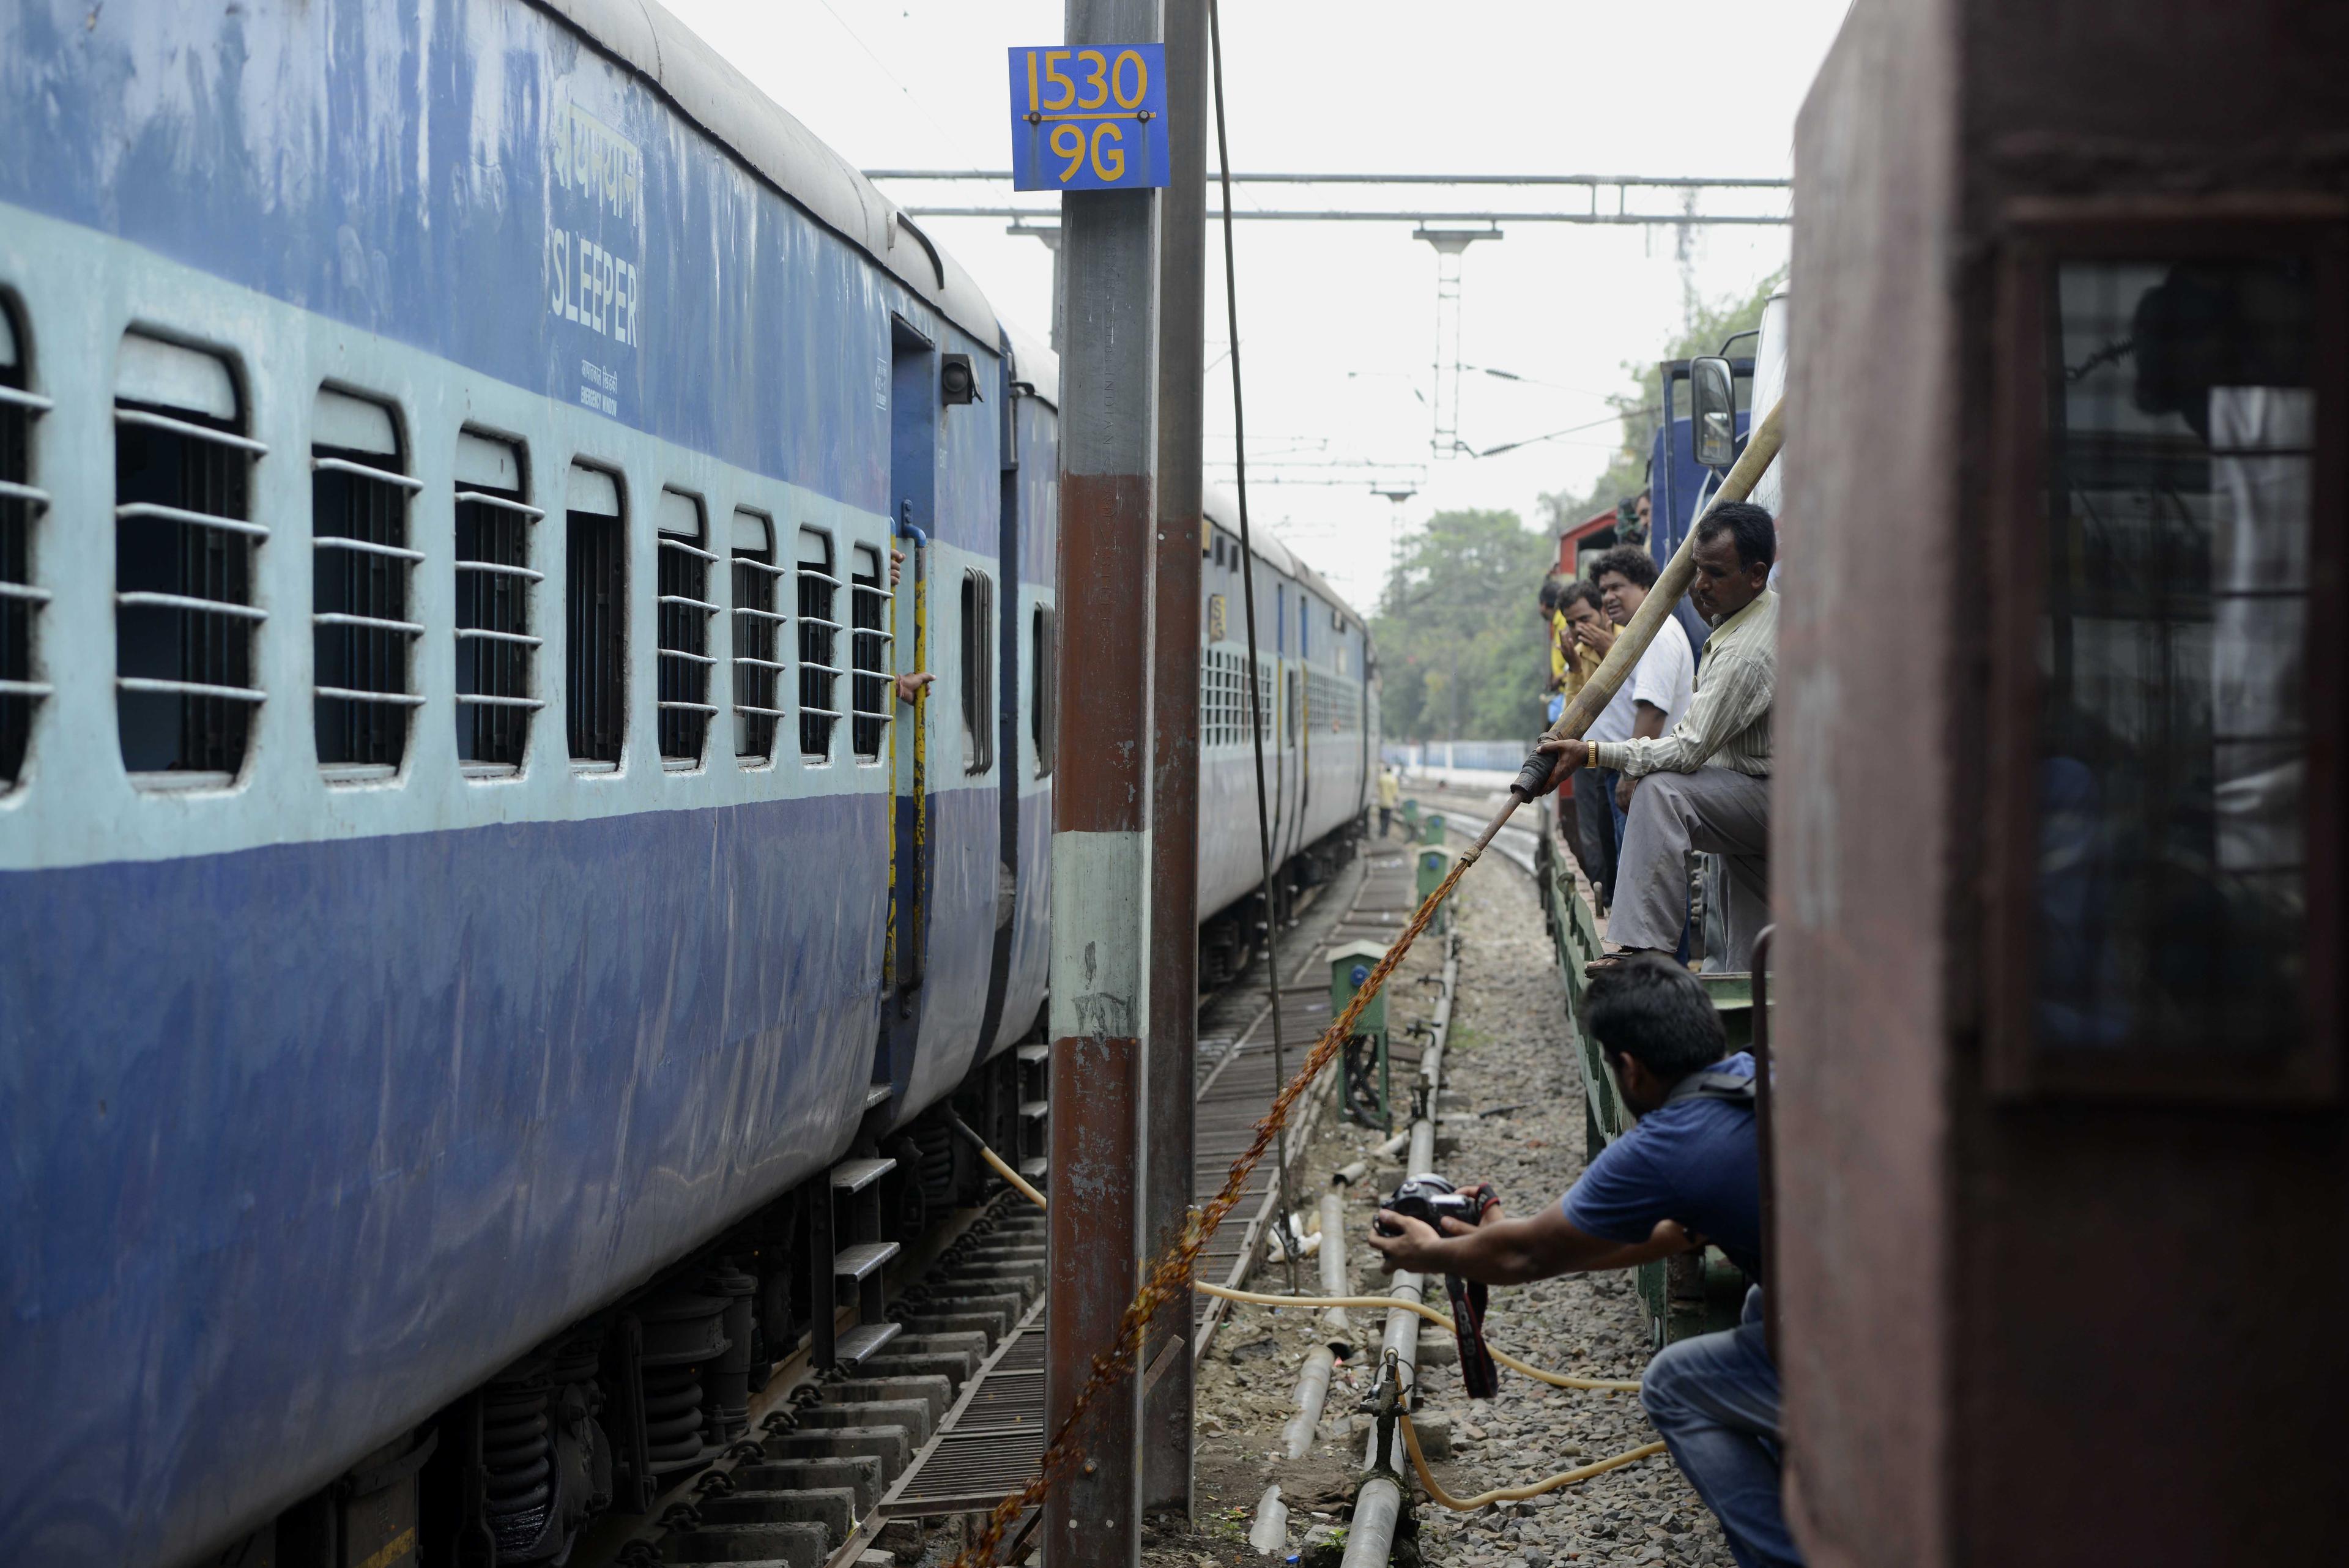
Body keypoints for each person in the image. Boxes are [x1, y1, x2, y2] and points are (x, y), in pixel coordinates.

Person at [1365, 957, 1800, 1568]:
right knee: (1758, 1305)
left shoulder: (1668, 1142)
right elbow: (1671, 1235)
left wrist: (1429, 1251)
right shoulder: (1757, 1076)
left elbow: (1525, 1253)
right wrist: (1502, 1236)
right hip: (1908, 1308)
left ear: (1629, 1067)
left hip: (1868, 1359)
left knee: (1675, 1384)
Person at [1536, 503, 1776, 972]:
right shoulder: (1740, 620)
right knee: (1748, 948)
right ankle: (1743, 1004)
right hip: (1760, 787)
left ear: (1756, 574)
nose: (1700, 585)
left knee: (1662, 791)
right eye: (1697, 570)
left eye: (1715, 572)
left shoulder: (1743, 651)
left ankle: (1646, 951)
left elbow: (1686, 747)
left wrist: (1592, 754)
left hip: (1770, 794)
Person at [1573, 546, 1696, 898]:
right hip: (1633, 771)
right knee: (1640, 883)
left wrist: (1630, 775)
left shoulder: (1656, 633)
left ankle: (1653, 956)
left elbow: (1653, 710)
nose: (1608, 597)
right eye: (1604, 590)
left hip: (1644, 777)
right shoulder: (1641, 633)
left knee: (1648, 887)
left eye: (1617, 587)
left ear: (1645, 586)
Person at [1549, 579, 1616, 899]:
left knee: (1619, 835)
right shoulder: (1575, 653)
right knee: (1593, 834)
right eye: (1572, 623)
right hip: (1587, 755)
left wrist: (1609, 652)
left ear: (1603, 611)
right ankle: (1602, 895)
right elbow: (1571, 717)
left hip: (1620, 753)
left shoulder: (1624, 641)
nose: (1579, 629)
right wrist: (1575, 669)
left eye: (1585, 620)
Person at [1378, 764, 1401, 838]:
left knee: (1382, 817)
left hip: (1382, 802)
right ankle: (1385, 833)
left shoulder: (1382, 778)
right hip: (1390, 803)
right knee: (1387, 818)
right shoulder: (1394, 779)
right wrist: (1397, 802)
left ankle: (1382, 831)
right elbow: (1396, 793)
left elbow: (1379, 789)